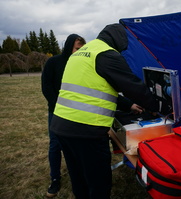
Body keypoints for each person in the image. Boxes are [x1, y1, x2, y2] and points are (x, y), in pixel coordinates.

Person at [50, 24, 159, 199]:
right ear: (119, 41)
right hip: (87, 131)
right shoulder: (107, 54)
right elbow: (133, 87)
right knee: (99, 182)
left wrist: (128, 106)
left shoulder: (81, 53)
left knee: (78, 176)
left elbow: (95, 89)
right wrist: (157, 107)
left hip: (61, 126)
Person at [41, 34, 86, 198]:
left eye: (81, 48)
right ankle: (55, 179)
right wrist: (58, 107)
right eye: (76, 48)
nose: (79, 52)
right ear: (68, 47)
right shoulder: (54, 62)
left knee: (77, 144)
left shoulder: (83, 64)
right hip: (57, 112)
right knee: (55, 145)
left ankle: (79, 174)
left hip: (78, 111)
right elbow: (46, 86)